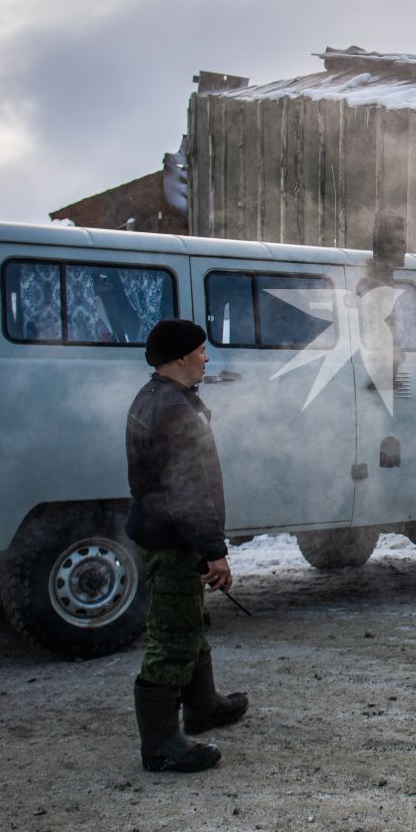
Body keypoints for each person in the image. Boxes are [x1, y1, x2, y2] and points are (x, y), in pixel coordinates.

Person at [126, 318, 248, 773]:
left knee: (189, 619)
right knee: (172, 637)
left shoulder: (155, 395)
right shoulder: (175, 410)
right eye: (200, 350)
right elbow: (188, 489)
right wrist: (213, 549)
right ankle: (160, 745)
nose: (206, 357)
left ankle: (203, 706)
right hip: (174, 537)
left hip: (165, 531)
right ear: (179, 357)